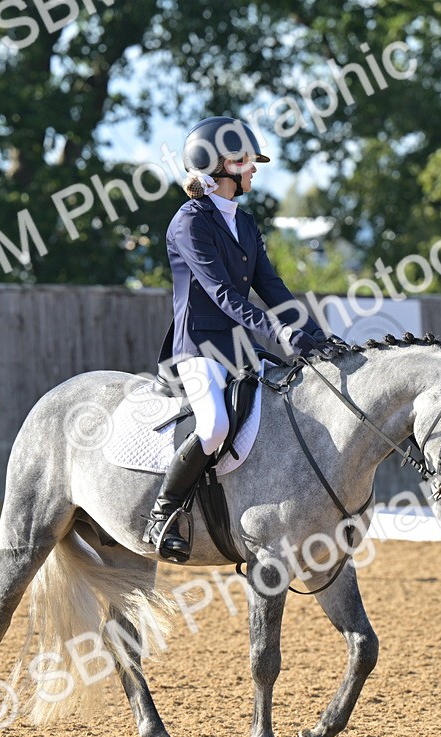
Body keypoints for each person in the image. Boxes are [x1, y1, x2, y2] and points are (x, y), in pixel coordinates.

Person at [144, 116, 338, 563]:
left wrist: (318, 337)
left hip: (241, 350)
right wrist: (281, 333)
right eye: (246, 161)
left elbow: (272, 288)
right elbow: (224, 295)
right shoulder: (188, 223)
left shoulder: (245, 223)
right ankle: (164, 513)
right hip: (199, 348)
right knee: (213, 427)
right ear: (217, 165)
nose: (254, 169)